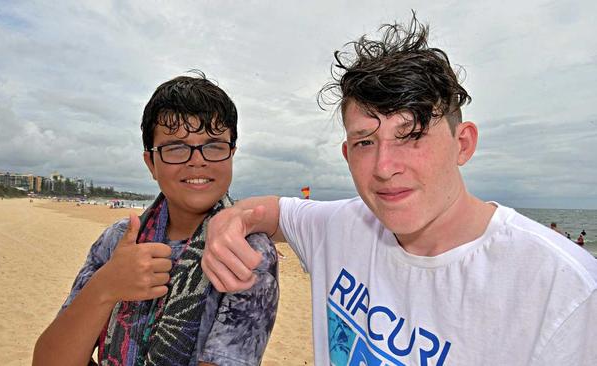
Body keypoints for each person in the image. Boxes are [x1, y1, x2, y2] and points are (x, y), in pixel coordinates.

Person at [201, 15, 597, 365]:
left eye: (412, 135)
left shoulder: (563, 291)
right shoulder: (341, 226)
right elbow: (271, 211)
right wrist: (228, 220)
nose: (385, 167)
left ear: (463, 144)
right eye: (365, 142)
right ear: (346, 152)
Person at [33, 73, 279, 366]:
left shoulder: (247, 251)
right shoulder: (117, 241)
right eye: (176, 147)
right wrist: (105, 287)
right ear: (151, 162)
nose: (197, 160)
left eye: (213, 145)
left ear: (231, 155)